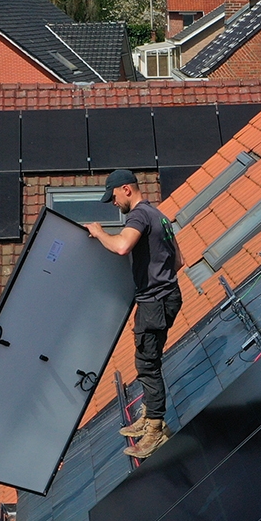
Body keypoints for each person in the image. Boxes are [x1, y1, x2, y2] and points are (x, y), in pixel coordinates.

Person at [85, 169, 182, 459]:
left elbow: (122, 246)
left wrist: (100, 232)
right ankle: (151, 413)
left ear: (126, 189)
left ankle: (155, 428)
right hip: (167, 296)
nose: (113, 203)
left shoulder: (138, 216)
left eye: (113, 196)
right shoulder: (159, 215)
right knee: (148, 358)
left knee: (147, 363)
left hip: (155, 301)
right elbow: (179, 260)